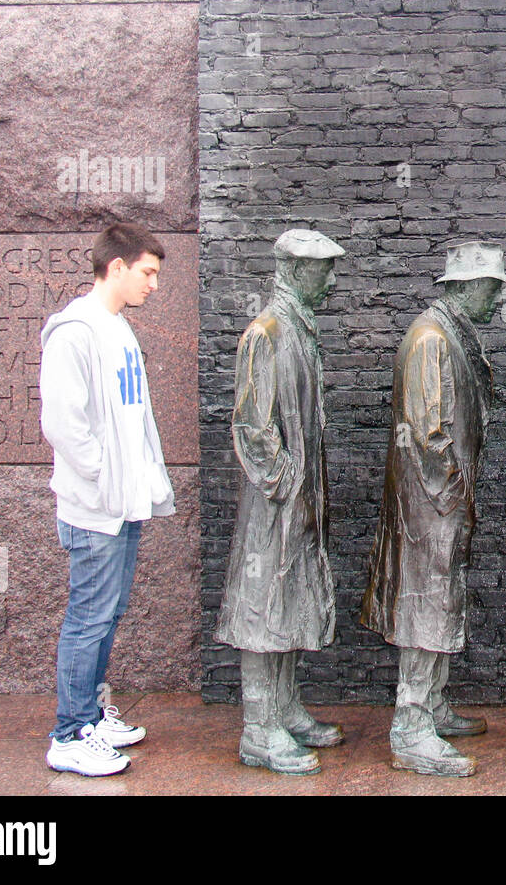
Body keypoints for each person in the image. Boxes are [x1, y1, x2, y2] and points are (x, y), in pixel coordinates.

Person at [361, 242, 506, 777]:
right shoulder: (431, 338)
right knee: (426, 605)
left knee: (439, 601)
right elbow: (429, 434)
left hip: (441, 502)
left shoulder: (451, 333)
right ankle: (411, 728)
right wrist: (453, 494)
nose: (497, 298)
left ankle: (434, 703)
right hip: (432, 505)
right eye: (492, 288)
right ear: (466, 286)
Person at [41, 222, 174, 777]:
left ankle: (91, 716)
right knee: (88, 617)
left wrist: (137, 485)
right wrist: (105, 481)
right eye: (147, 272)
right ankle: (69, 735)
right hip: (96, 508)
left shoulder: (117, 328)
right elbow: (64, 426)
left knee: (107, 613)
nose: (153, 285)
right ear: (115, 267)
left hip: (123, 503)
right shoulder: (75, 332)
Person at [216, 229, 346, 775]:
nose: (333, 281)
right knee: (262, 605)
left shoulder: (298, 328)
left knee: (288, 598)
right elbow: (253, 427)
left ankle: (286, 710)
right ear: (294, 270)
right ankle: (258, 728)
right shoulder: (267, 332)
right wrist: (288, 483)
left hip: (296, 499)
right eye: (325, 270)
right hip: (274, 505)